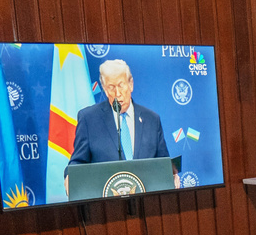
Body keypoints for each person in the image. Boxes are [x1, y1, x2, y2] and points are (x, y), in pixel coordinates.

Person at [65, 59, 175, 190]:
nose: (117, 94)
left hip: (146, 203)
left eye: (121, 85)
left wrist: (171, 174)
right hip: (106, 204)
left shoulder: (152, 119)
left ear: (131, 85)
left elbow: (163, 162)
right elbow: (78, 162)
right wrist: (70, 176)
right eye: (111, 87)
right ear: (105, 90)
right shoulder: (89, 119)